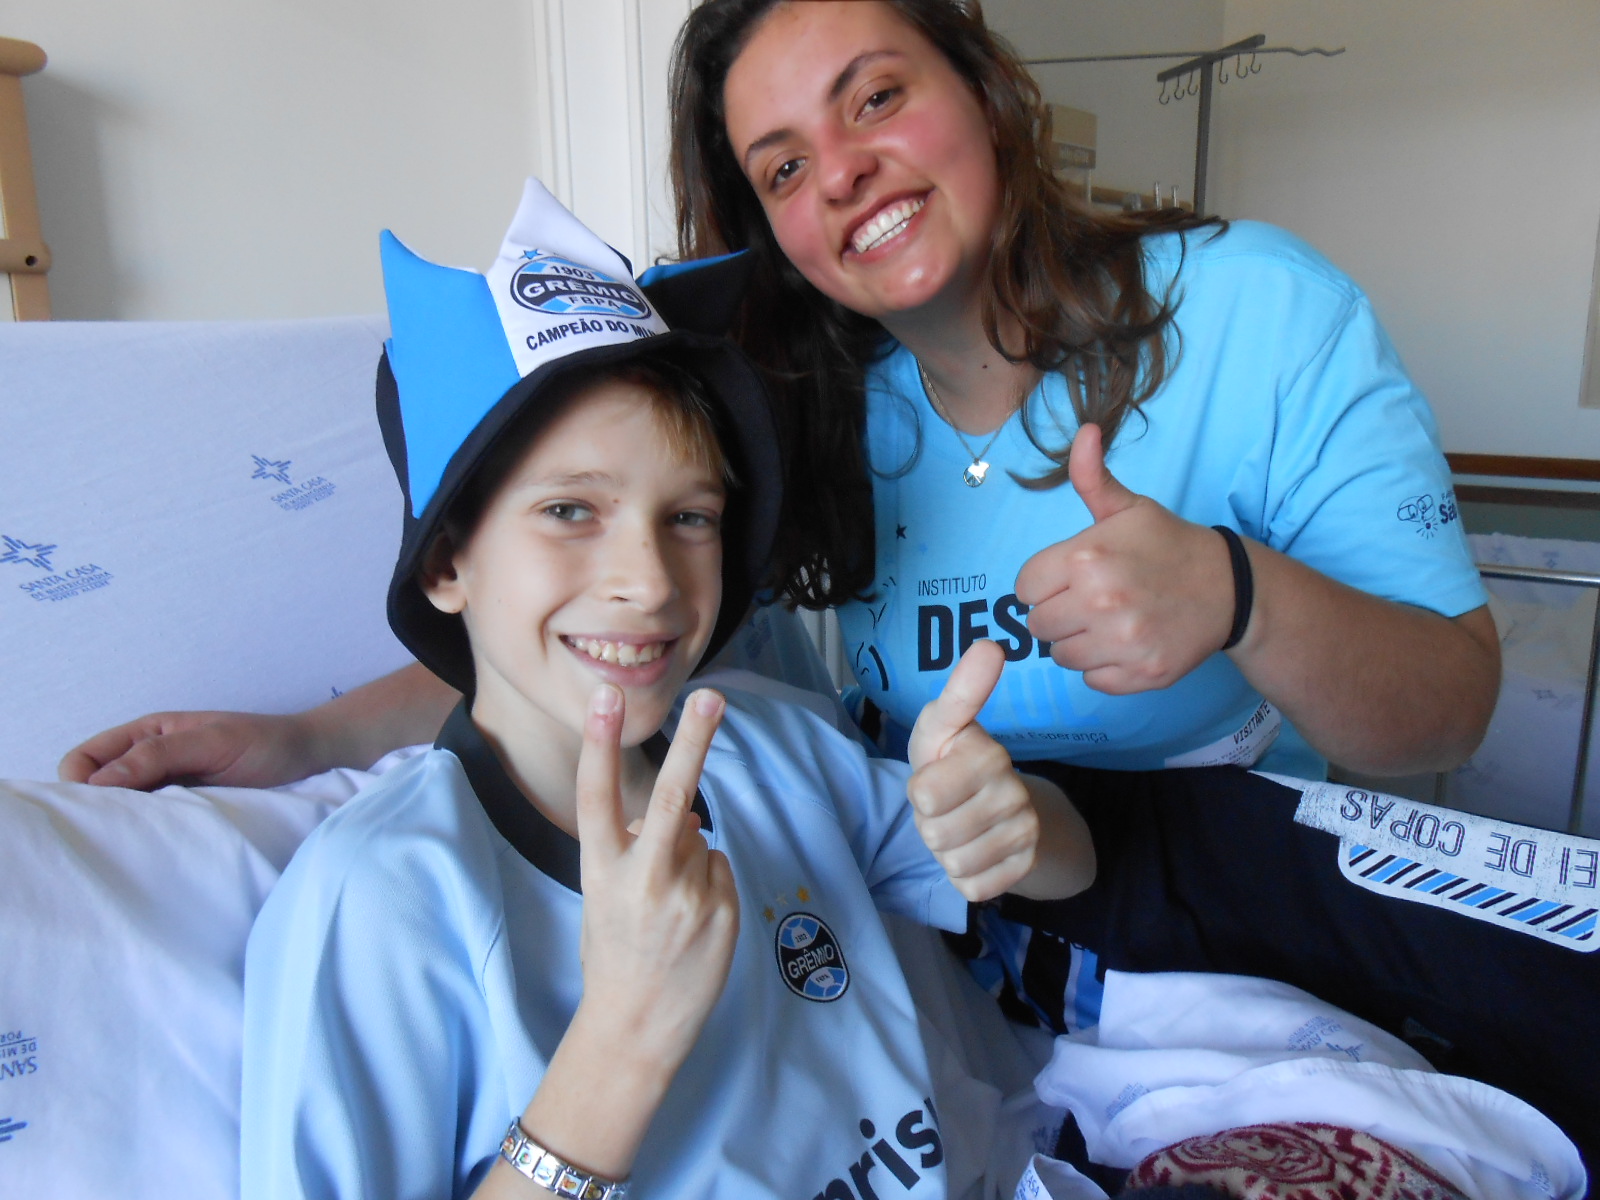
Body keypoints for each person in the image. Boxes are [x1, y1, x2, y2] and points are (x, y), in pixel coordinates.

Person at [59, 1, 1496, 794]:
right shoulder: (786, 407)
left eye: (876, 98)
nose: (845, 172)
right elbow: (612, 624)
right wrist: (294, 740)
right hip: (946, 957)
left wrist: (1237, 595)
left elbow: (1449, 715)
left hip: (1237, 952)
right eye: (785, 164)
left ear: (988, 89)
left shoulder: (1258, 311)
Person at [239, 178, 1096, 1200]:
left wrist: (1019, 821)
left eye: (690, 518)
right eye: (568, 511)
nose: (648, 583)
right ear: (444, 566)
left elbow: (1065, 868)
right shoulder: (378, 901)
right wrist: (621, 1042)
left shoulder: (773, 749)